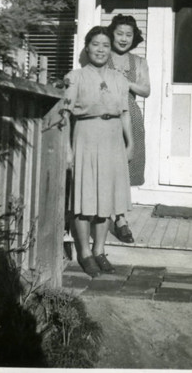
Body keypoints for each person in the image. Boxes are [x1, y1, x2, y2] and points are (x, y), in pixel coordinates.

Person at [61, 26, 133, 278]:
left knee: (107, 199)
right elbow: (65, 116)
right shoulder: (76, 77)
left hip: (113, 138)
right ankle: (84, 253)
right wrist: (67, 150)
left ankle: (100, 250)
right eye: (95, 44)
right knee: (84, 198)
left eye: (105, 45)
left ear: (110, 49)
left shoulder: (119, 79)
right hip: (86, 136)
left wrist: (130, 143)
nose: (100, 49)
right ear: (87, 47)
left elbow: (124, 114)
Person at [107, 14, 151, 243]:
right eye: (119, 33)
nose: (123, 39)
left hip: (130, 114)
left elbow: (146, 90)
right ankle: (102, 214)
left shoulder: (138, 62)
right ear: (111, 34)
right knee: (105, 166)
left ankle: (121, 218)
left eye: (128, 35)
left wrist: (127, 83)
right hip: (104, 115)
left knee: (125, 166)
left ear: (134, 38)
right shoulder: (102, 55)